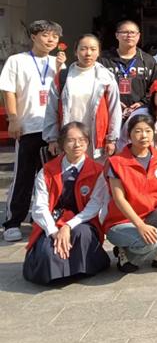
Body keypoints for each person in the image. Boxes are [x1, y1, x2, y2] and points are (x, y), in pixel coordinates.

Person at [0, 19, 65, 242]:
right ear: (33, 36)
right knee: (23, 176)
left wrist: (60, 69)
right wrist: (13, 119)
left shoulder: (57, 63)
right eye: (46, 35)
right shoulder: (17, 61)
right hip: (28, 127)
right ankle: (13, 221)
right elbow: (8, 91)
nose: (51, 40)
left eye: (55, 36)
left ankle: (44, 217)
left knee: (51, 176)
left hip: (53, 129)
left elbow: (63, 92)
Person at [22, 122, 110, 285]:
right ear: (62, 143)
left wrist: (68, 226)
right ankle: (58, 271)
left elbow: (94, 205)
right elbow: (40, 207)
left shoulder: (97, 171)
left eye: (82, 140)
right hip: (53, 220)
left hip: (83, 220)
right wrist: (53, 231)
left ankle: (79, 269)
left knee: (82, 235)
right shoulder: (47, 171)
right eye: (71, 140)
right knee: (48, 249)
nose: (77, 145)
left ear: (88, 143)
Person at [103, 114, 157, 273]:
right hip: (121, 222)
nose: (144, 136)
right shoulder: (116, 162)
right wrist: (140, 226)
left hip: (150, 216)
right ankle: (125, 252)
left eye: (148, 131)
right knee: (150, 242)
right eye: (138, 131)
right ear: (129, 135)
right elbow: (119, 199)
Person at [43, 34, 122, 161]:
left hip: (96, 140)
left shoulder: (106, 77)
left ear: (98, 52)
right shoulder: (63, 77)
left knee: (96, 171)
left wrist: (112, 139)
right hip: (70, 138)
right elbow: (51, 109)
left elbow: (114, 109)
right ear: (76, 52)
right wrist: (52, 138)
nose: (88, 53)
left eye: (93, 49)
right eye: (83, 49)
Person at [100, 19, 157, 119]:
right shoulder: (104, 60)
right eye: (124, 32)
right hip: (109, 111)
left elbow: (156, 87)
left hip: (140, 114)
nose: (129, 35)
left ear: (138, 36)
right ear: (117, 35)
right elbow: (96, 86)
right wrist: (111, 101)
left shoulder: (148, 61)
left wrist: (142, 103)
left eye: (132, 32)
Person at [116, 79, 157, 153]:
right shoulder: (141, 114)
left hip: (147, 152)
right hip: (128, 152)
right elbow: (135, 140)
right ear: (153, 96)